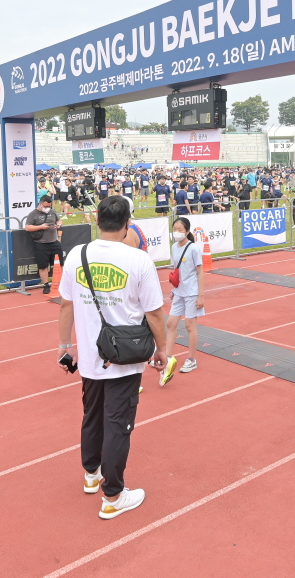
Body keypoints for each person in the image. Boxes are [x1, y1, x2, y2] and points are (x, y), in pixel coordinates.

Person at [57, 195, 169, 519]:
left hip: (90, 357)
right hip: (125, 358)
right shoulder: (138, 260)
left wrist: (65, 345)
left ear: (97, 220)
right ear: (127, 224)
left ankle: (91, 474)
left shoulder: (76, 255)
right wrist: (161, 349)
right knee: (118, 425)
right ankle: (113, 495)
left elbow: (65, 304)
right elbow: (154, 313)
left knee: (92, 416)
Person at [160, 215, 205, 386]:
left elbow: (200, 272)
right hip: (179, 292)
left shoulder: (193, 248)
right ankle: (167, 358)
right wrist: (174, 289)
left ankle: (191, 359)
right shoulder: (174, 247)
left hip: (192, 292)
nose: (177, 232)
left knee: (189, 325)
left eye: (180, 229)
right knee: (171, 323)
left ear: (187, 231)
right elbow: (176, 269)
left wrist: (201, 295)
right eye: (174, 229)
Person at [25, 194, 64, 295]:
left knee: (59, 264)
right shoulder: (33, 214)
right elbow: (27, 227)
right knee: (43, 266)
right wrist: (41, 227)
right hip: (41, 243)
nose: (47, 208)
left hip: (54, 242)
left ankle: (60, 283)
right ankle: (46, 285)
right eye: (46, 206)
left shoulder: (52, 212)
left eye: (49, 206)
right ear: (40, 204)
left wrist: (59, 224)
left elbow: (59, 220)